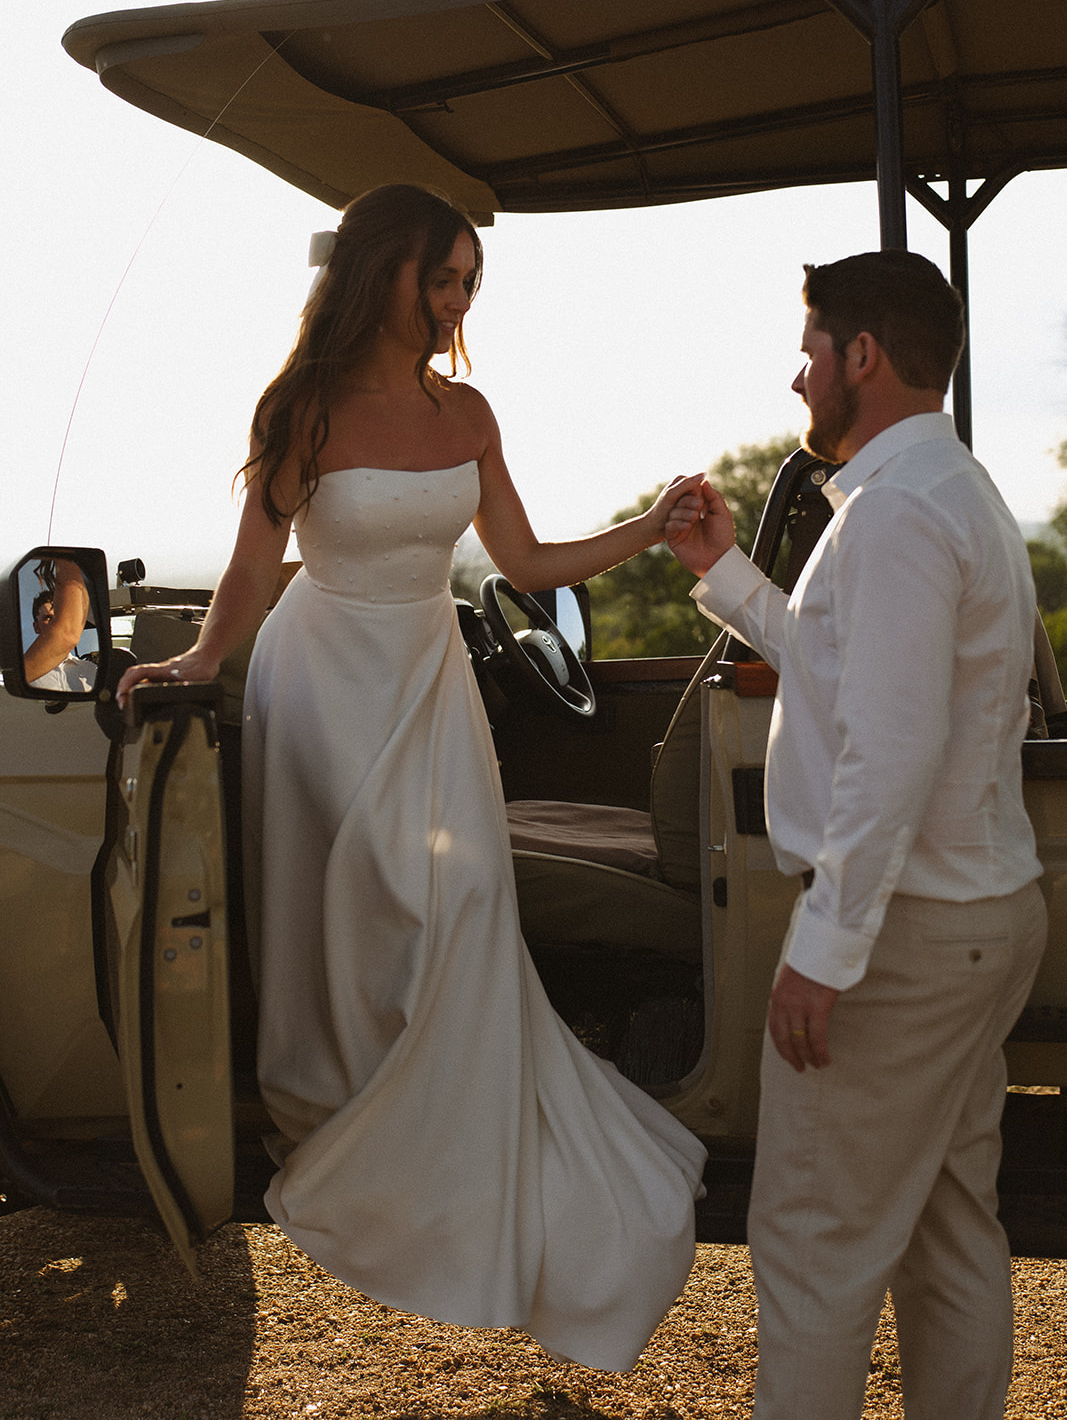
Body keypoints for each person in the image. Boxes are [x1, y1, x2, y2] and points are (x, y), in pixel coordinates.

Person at [116, 183, 706, 1372]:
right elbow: (252, 568)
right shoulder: (301, 409)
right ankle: (345, 1098)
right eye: (441, 278)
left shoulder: (469, 412)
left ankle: (441, 1117)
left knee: (464, 894)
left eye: (468, 283)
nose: (456, 302)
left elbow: (526, 557)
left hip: (429, 680)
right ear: (381, 271)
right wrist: (199, 659)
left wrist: (648, 527)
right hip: (320, 681)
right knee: (366, 891)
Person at [666, 249, 1047, 1419]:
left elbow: (887, 753)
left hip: (905, 939)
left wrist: (822, 951)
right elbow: (843, 670)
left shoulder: (891, 516)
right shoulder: (945, 490)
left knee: (810, 1241)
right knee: (945, 1227)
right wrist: (723, 572)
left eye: (810, 351)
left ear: (861, 356)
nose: (797, 377)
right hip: (976, 917)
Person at [26, 559, 96, 690]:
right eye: (47, 617)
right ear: (36, 627)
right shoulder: (25, 677)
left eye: (58, 617)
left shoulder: (92, 671)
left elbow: (67, 634)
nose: (55, 623)